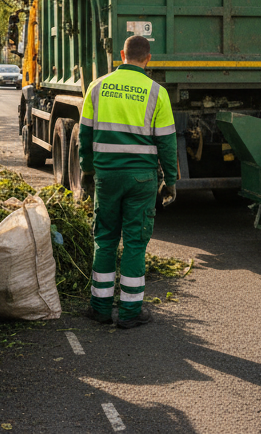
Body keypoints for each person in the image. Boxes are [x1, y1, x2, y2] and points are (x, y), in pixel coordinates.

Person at [78, 35, 178, 328]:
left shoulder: (97, 87)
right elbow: (167, 144)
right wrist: (170, 180)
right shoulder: (156, 92)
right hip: (141, 179)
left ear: (121, 54)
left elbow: (84, 137)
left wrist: (86, 170)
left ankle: (100, 308)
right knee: (135, 243)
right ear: (148, 58)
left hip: (106, 176)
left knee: (105, 238)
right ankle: (131, 313)